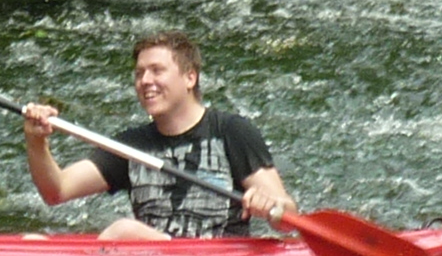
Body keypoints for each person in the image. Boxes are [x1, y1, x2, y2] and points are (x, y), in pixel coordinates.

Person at [21, 30, 295, 240]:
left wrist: (269, 204)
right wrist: (36, 141)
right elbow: (57, 190)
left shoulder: (231, 131)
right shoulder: (131, 145)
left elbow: (287, 213)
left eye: (157, 71)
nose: (145, 81)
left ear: (190, 78)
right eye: (139, 73)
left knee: (123, 232)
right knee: (31, 242)